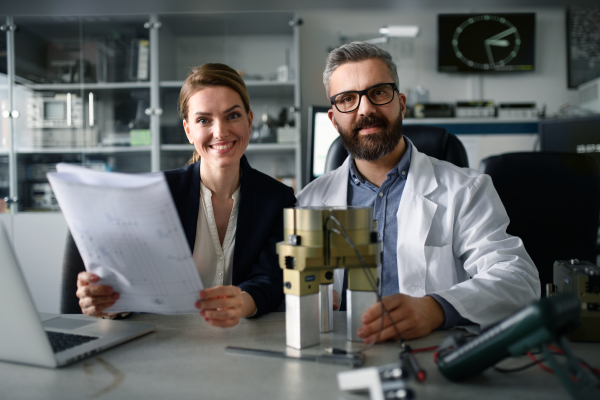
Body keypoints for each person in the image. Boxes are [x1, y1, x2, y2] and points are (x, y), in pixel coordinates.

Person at [297, 42, 540, 342]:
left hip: (432, 356)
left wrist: (437, 308)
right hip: (335, 357)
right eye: (348, 99)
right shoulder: (307, 203)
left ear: (401, 103)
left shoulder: (465, 190)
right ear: (334, 120)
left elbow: (519, 280)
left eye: (379, 92)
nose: (366, 109)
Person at [68, 63, 296, 327]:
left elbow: (271, 279)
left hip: (241, 338)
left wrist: (241, 303)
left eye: (232, 116)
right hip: (162, 339)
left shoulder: (277, 198)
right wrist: (108, 303)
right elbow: (132, 283)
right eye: (204, 120)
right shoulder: (154, 194)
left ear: (249, 120)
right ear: (188, 131)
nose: (220, 131)